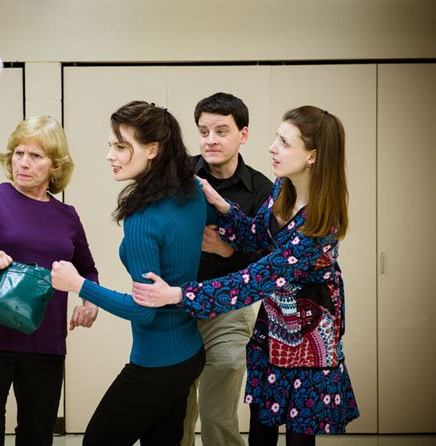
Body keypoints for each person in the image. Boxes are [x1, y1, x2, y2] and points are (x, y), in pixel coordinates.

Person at [132, 106, 359, 446]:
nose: (272, 147)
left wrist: (179, 294)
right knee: (262, 425)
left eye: (283, 142)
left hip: (309, 337)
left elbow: (255, 279)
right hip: (275, 325)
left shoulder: (319, 225)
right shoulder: (283, 188)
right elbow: (257, 236)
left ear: (312, 156)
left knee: (299, 433)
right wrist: (222, 205)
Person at [51, 100, 216, 445]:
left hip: (157, 362)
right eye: (111, 145)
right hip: (188, 353)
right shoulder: (192, 191)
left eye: (121, 146)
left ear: (153, 149)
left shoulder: (143, 220)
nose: (110, 155)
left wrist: (78, 284)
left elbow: (144, 311)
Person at [0, 115, 99, 446]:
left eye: (35, 156)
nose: (23, 163)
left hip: (45, 344)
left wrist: (90, 301)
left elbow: (87, 268)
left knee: (37, 436)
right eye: (18, 153)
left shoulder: (66, 216)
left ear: (55, 166)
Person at [181, 92, 272, 446]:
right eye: (204, 131)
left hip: (229, 312)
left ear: (243, 134)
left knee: (218, 411)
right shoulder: (179, 174)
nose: (210, 140)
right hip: (178, 309)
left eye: (221, 131)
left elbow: (272, 261)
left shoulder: (262, 189)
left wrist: (227, 249)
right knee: (176, 411)